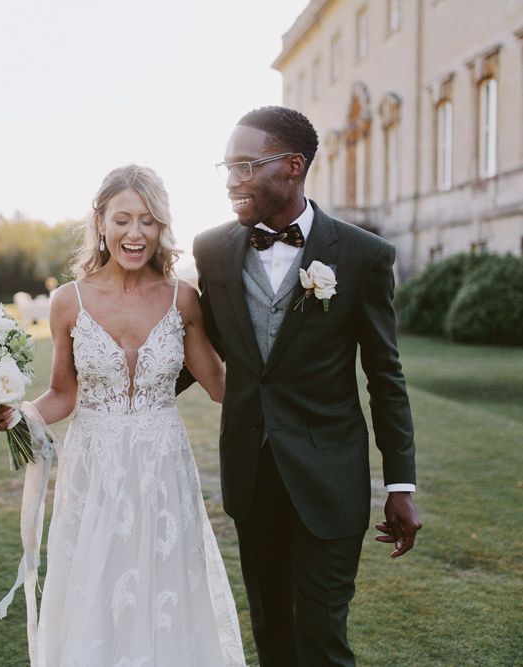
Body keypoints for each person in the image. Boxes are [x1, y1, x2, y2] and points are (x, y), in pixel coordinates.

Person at [176, 106, 422, 666]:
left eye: (245, 165)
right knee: (271, 635)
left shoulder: (363, 255)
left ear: (292, 166)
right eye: (227, 167)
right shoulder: (212, 249)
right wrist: (118, 393)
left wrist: (400, 485)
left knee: (321, 637)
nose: (233, 180)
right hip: (251, 472)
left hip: (328, 479)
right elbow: (198, 352)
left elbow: (385, 377)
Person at [0, 164, 246, 666]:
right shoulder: (69, 301)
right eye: (123, 219)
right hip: (95, 470)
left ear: (162, 227)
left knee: (164, 587)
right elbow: (62, 394)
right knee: (98, 588)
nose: (136, 233)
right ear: (100, 222)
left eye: (148, 221)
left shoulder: (182, 298)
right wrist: (19, 415)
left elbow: (220, 387)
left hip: (162, 468)